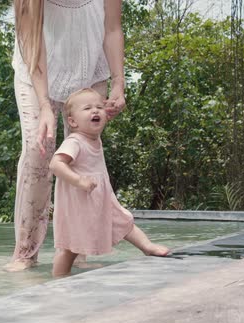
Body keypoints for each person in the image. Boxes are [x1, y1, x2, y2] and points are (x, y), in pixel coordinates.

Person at [5, 0, 127, 271]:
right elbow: (31, 40)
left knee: (83, 157)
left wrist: (119, 82)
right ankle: (25, 251)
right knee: (38, 151)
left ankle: (76, 249)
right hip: (37, 72)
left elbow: (112, 28)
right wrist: (45, 105)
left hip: (90, 69)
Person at [49, 88, 170, 277]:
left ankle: (147, 246)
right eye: (87, 108)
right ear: (72, 122)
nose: (95, 111)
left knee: (123, 220)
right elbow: (56, 164)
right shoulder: (75, 141)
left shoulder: (94, 139)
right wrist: (79, 180)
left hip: (100, 199)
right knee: (70, 247)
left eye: (99, 107)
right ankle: (58, 279)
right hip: (80, 203)